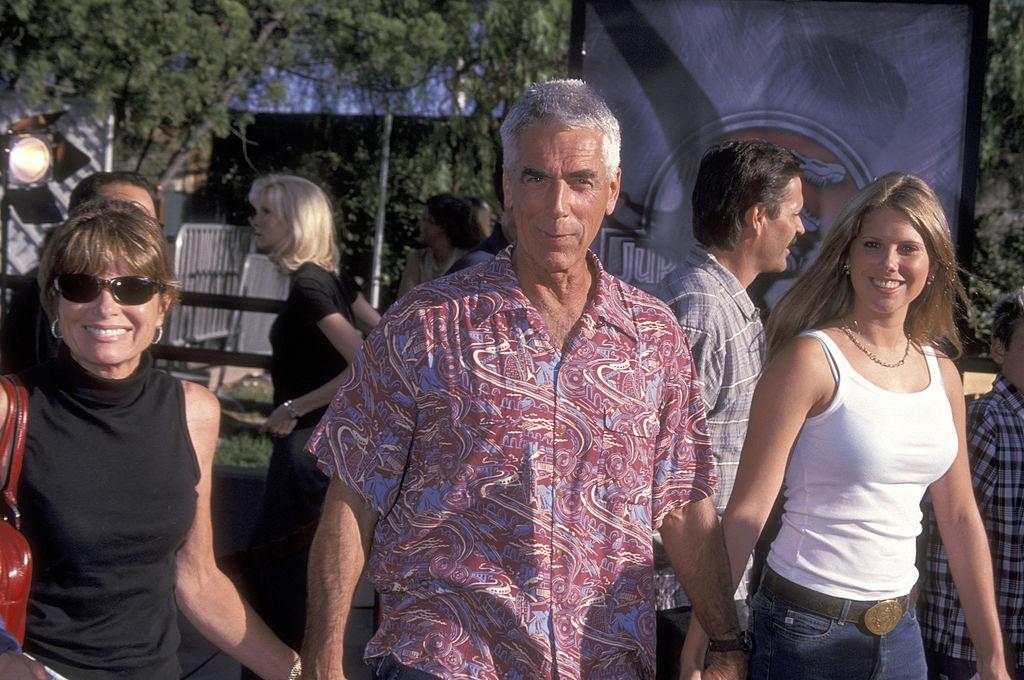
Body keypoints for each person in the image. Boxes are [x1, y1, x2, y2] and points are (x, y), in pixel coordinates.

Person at [301, 79, 746, 680]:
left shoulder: (654, 337)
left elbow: (686, 506)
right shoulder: (425, 327)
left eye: (581, 181)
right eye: (536, 177)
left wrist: (725, 641)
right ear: (508, 188)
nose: (557, 205)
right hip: (449, 657)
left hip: (603, 662)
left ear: (612, 191)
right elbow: (352, 497)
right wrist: (324, 659)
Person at [683, 172, 1012, 680]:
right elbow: (748, 511)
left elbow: (962, 516)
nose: (889, 264)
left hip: (902, 634)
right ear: (847, 254)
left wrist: (993, 657)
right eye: (873, 245)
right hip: (802, 632)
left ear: (931, 263)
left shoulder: (944, 373)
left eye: (908, 248)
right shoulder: (810, 360)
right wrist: (707, 638)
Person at [14, 199, 298, 679]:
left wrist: (296, 671)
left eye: (132, 288)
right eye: (82, 285)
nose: (107, 306)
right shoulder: (11, 409)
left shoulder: (194, 412)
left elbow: (198, 579)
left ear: (163, 302)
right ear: (54, 300)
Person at [656, 139, 803, 679]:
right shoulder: (700, 310)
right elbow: (660, 472)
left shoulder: (721, 304)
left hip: (701, 594)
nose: (802, 228)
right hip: (680, 599)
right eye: (795, 213)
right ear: (757, 218)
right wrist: (709, 629)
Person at [243, 174, 380, 658]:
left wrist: (294, 406)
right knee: (300, 580)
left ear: (297, 222)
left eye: (266, 212)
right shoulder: (330, 279)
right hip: (324, 448)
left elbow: (366, 360)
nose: (255, 221)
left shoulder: (310, 285)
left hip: (305, 449)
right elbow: (385, 337)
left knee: (280, 583)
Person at [921, 288, 1024, 680]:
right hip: (969, 644)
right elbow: (951, 529)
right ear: (998, 349)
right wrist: (992, 650)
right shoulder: (988, 420)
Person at [0, 171, 157, 374]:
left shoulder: (182, 399)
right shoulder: (47, 295)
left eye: (150, 223)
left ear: (164, 305)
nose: (108, 308)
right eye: (124, 217)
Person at [396, 193, 482, 297]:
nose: (420, 224)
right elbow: (404, 303)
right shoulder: (418, 258)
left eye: (425, 219)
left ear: (441, 226)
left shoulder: (467, 260)